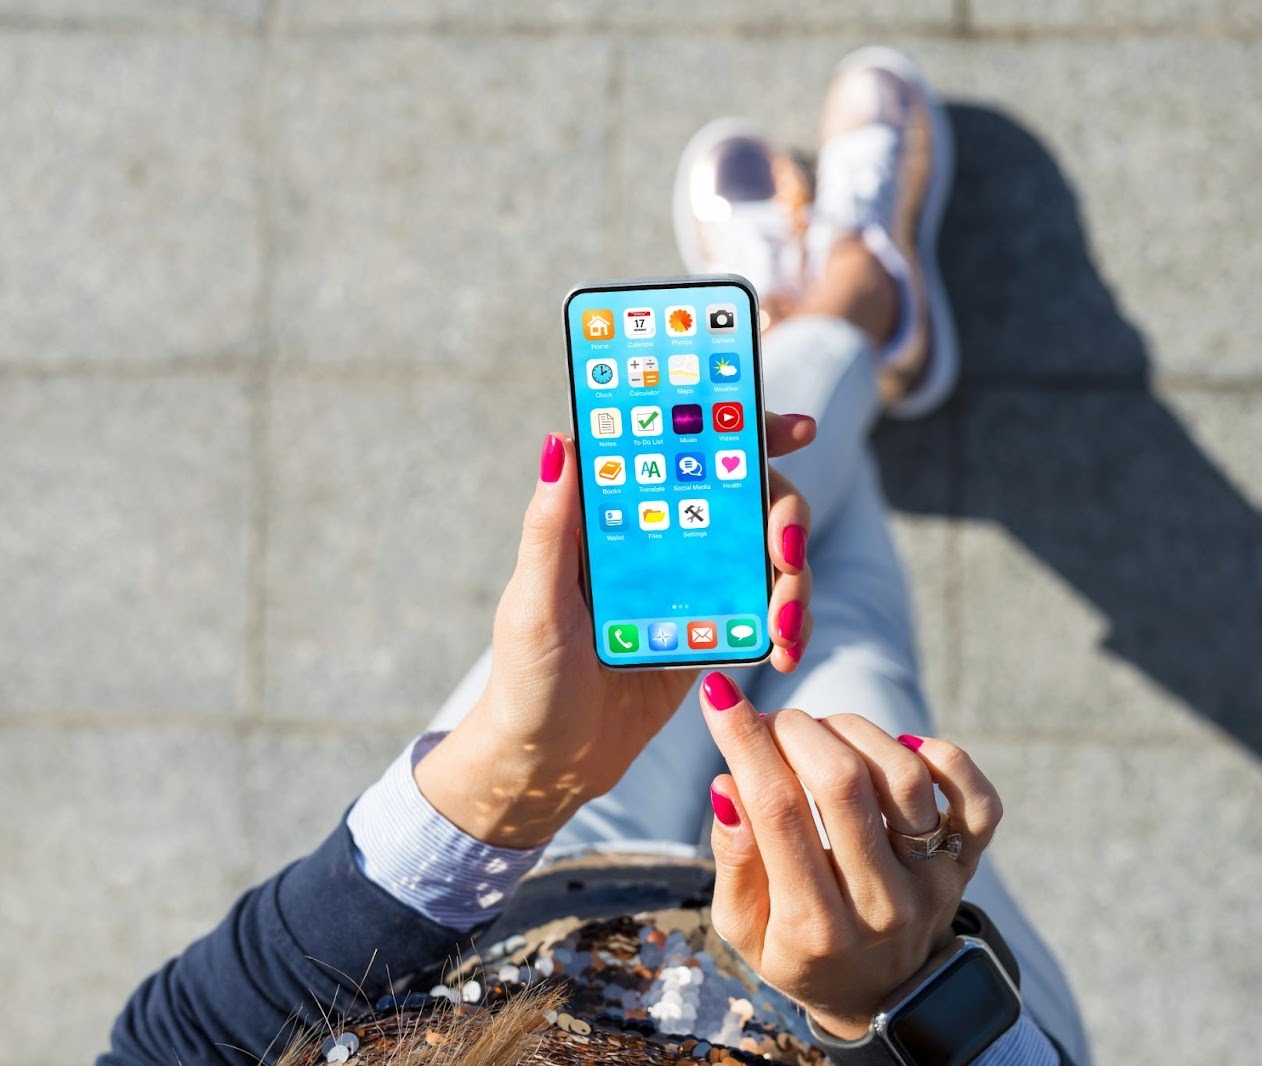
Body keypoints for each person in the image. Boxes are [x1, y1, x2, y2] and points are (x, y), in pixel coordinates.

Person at [101, 48, 1091, 1066]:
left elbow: (179, 1042)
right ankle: (840, 307)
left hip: (534, 878)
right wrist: (894, 1000)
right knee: (855, 664)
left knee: (756, 553)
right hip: (852, 969)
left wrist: (510, 777)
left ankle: (829, 314)